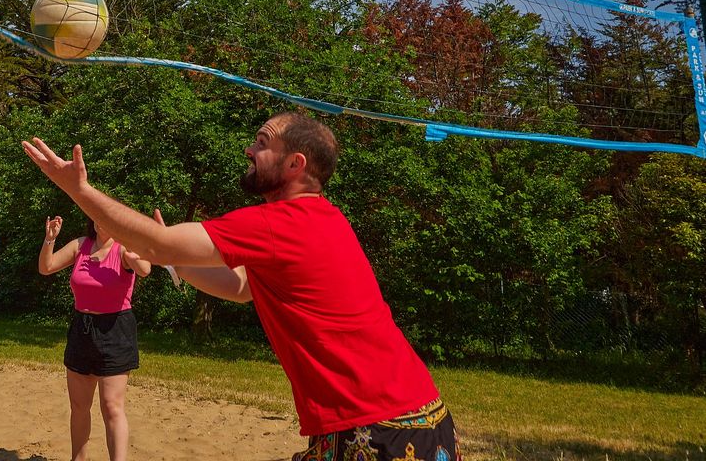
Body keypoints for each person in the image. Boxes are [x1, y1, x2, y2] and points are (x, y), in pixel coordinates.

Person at [23, 112, 461, 461]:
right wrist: (172, 258)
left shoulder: (278, 222)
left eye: (262, 143)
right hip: (419, 416)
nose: (249, 149)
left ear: (295, 164)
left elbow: (156, 242)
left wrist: (79, 190)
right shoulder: (326, 218)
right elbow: (241, 287)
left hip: (377, 428)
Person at [38, 214, 151, 461]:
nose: (101, 221)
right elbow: (46, 267)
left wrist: (133, 251)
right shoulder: (81, 245)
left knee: (111, 406)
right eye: (97, 215)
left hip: (115, 330)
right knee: (79, 407)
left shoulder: (123, 249)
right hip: (82, 329)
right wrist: (50, 239)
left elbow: (145, 270)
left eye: (107, 217)